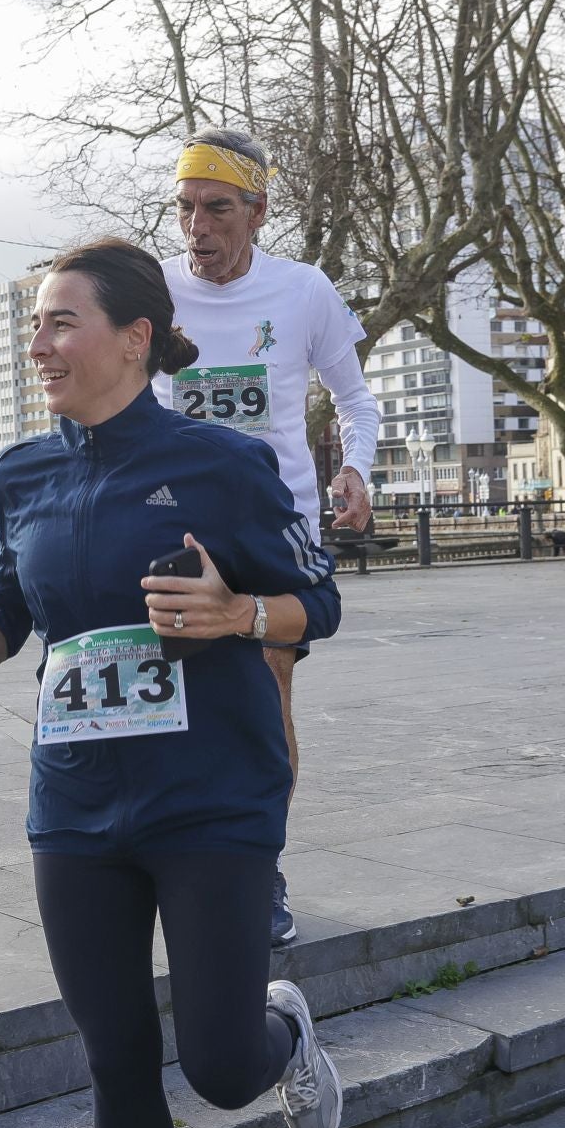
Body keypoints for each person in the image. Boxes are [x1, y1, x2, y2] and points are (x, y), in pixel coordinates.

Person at [0, 238, 346, 1128]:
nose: (39, 345)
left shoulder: (224, 465)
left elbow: (318, 602)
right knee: (115, 1056)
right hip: (75, 803)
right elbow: (10, 605)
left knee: (219, 1066)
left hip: (209, 797)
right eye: (33, 323)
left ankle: (282, 1026)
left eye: (61, 321)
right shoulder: (16, 476)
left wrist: (238, 610)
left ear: (135, 338)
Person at [153, 126, 379, 945]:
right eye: (184, 209)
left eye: (216, 209)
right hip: (170, 521)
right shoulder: (155, 289)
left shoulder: (303, 290)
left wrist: (356, 470)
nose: (197, 228)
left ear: (258, 211)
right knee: (163, 704)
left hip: (271, 526)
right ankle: (170, 868)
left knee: (263, 700)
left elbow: (355, 400)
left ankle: (260, 875)